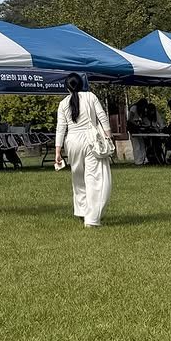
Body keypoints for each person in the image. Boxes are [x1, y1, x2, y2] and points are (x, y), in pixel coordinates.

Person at [54, 73, 113, 227]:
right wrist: (108, 136)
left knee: (78, 179)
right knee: (95, 179)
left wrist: (57, 151)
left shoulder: (63, 103)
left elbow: (61, 128)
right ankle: (92, 218)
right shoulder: (90, 96)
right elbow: (102, 116)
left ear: (67, 87)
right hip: (91, 140)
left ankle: (82, 211)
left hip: (72, 141)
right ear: (82, 84)